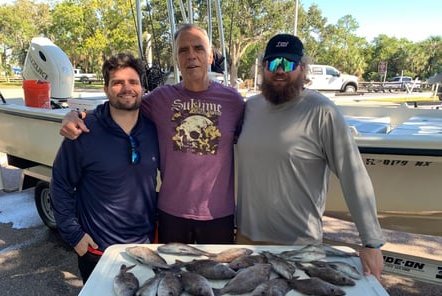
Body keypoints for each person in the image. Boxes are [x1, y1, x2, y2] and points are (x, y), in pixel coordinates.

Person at [59, 24, 245, 244]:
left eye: (198, 48)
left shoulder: (233, 101)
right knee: (172, 275)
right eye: (183, 50)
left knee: (216, 275)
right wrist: (75, 114)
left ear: (211, 55)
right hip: (171, 213)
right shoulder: (161, 98)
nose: (191, 56)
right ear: (176, 58)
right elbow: (121, 104)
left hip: (218, 214)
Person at [236, 34, 385, 280]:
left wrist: (371, 242)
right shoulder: (250, 107)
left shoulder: (322, 111)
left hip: (299, 245)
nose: (280, 71)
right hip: (247, 238)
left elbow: (353, 174)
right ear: (263, 67)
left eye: (289, 64)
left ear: (303, 68)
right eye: (273, 64)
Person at [50, 53, 159, 283]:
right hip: (98, 252)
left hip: (144, 248)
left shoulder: (154, 129)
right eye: (117, 82)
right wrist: (73, 235)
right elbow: (61, 183)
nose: (126, 88)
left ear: (142, 88)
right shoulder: (84, 131)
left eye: (133, 82)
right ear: (107, 89)